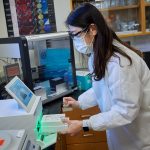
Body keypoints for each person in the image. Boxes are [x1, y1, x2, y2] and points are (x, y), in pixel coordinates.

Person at [62, 3, 150, 150]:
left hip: (140, 141)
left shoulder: (120, 63)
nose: (75, 41)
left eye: (76, 35)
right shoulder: (98, 55)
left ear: (93, 29)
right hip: (123, 138)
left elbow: (125, 111)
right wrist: (79, 103)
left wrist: (85, 124)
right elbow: (102, 88)